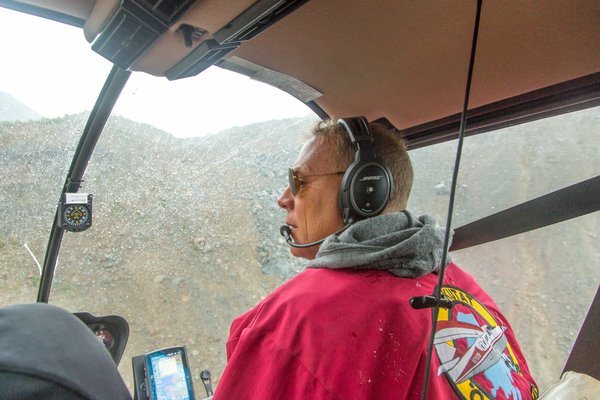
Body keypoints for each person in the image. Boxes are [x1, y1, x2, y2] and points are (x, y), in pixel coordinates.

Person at [213, 118, 538, 399]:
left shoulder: (296, 321)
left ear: (364, 191)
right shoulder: (464, 286)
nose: (283, 198)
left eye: (299, 181)